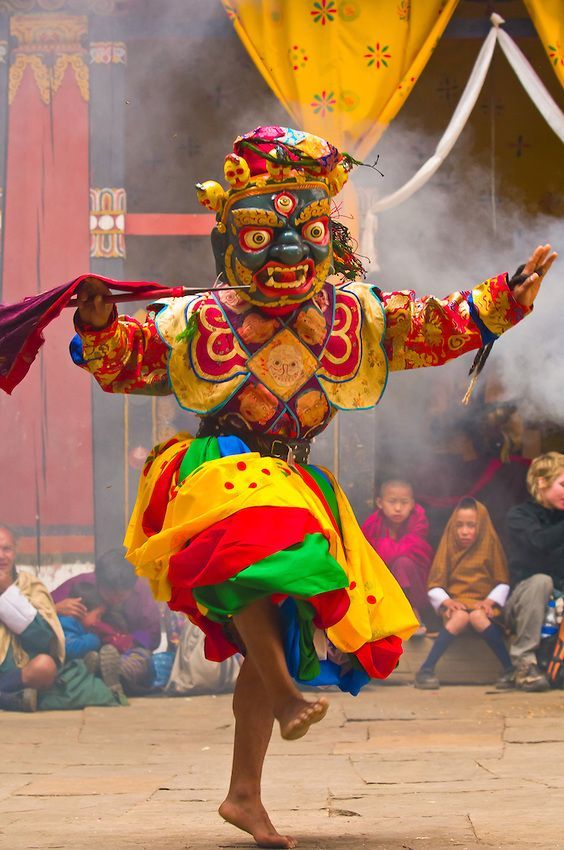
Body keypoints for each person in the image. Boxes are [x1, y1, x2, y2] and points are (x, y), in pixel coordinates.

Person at [69, 126, 556, 848]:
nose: (290, 251)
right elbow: (127, 359)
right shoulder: (202, 317)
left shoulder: (352, 313)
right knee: (257, 542)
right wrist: (103, 326)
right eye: (263, 235)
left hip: (294, 479)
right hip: (221, 470)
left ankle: (243, 793)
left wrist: (503, 299)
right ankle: (289, 698)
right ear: (230, 242)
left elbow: (437, 324)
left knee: (277, 622)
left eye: (308, 232)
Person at [414, 498, 513, 690]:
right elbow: (435, 584)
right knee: (460, 616)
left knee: (476, 616)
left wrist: (489, 601)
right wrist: (447, 602)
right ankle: (426, 670)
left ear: (481, 527)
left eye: (471, 526)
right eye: (459, 525)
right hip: (456, 605)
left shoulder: (489, 544)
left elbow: (502, 582)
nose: (464, 531)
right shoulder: (449, 545)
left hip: (484, 607)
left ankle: (510, 669)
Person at [52, 549, 160, 695]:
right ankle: (101, 674)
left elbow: (153, 636)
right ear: (98, 581)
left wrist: (127, 641)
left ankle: (115, 673)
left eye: (121, 595)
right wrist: (54, 608)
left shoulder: (142, 595)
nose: (115, 599)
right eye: (109, 593)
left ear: (133, 586)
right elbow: (36, 613)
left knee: (142, 659)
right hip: (87, 653)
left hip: (126, 653)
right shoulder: (81, 585)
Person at [505, 452, 564, 692]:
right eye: (563, 484)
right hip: (523, 604)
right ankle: (524, 664)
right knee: (541, 581)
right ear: (541, 482)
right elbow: (539, 542)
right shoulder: (519, 516)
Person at [0, 525, 64, 711]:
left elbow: (44, 638)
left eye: (6, 549)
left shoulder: (30, 585)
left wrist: (7, 592)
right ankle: (9, 699)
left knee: (45, 666)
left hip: (19, 673)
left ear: (15, 551)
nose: (1, 556)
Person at [362, 478, 433, 631]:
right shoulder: (372, 525)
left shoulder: (419, 521)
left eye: (404, 502)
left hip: (416, 589)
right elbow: (371, 558)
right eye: (392, 501)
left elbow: (419, 553)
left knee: (402, 563)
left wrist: (386, 549)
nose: (398, 508)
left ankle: (411, 613)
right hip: (383, 588)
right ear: (379, 503)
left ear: (412, 504)